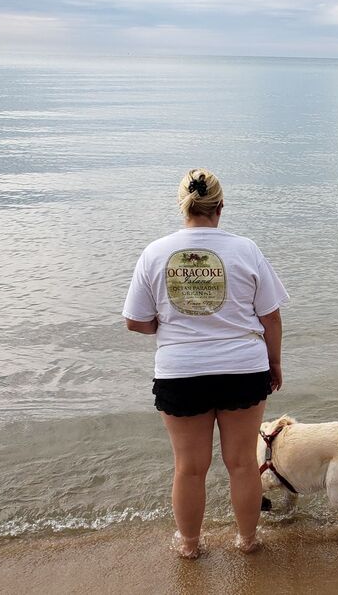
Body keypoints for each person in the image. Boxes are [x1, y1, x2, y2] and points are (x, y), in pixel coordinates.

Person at [122, 168, 289, 558]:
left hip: (181, 372)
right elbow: (271, 316)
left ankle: (190, 547)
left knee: (189, 468)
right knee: (243, 464)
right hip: (244, 368)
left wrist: (166, 326)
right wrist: (274, 363)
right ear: (221, 207)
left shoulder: (155, 252)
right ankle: (247, 541)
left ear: (182, 206)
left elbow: (135, 321)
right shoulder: (245, 249)